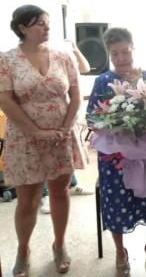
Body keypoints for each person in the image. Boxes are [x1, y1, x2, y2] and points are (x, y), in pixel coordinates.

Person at [0, 4, 86, 276]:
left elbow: (74, 94)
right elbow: (4, 99)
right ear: (22, 28)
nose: (47, 27)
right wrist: (36, 131)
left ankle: (59, 245)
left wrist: (65, 127)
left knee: (60, 192)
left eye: (48, 23)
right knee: (29, 200)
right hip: (25, 138)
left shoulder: (63, 57)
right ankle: (23, 250)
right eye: (39, 23)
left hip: (60, 136)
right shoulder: (7, 60)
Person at [86, 27, 146, 275]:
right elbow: (91, 118)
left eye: (125, 51)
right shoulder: (102, 81)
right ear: (109, 54)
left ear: (133, 48)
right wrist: (113, 123)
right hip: (114, 158)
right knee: (116, 204)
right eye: (115, 53)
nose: (122, 58)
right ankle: (120, 253)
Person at [40, 40, 93, 214]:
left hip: (67, 113)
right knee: (47, 158)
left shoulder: (63, 52)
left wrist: (75, 49)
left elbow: (85, 68)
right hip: (44, 116)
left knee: (66, 155)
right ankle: (45, 195)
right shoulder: (36, 56)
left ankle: (74, 184)